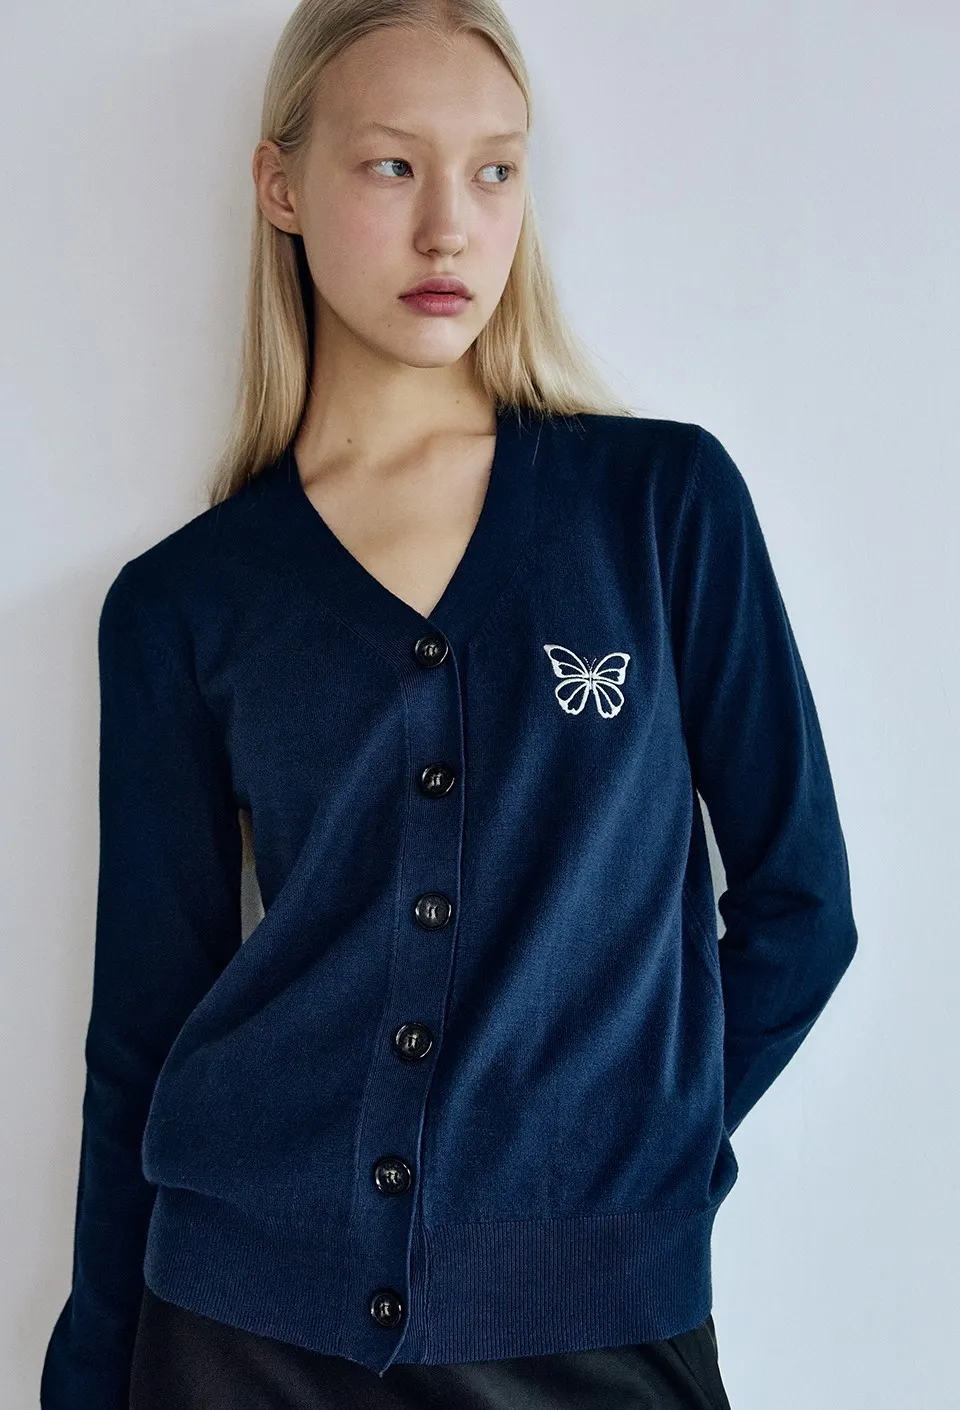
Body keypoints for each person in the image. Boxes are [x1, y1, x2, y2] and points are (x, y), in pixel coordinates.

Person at [40, 1, 859, 1407]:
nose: (450, 229)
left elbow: (802, 908)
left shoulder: (660, 509)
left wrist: (622, 1169)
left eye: (494, 171)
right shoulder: (185, 602)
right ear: (281, 185)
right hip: (240, 1328)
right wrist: (90, 1373)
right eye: (391, 165)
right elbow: (143, 1030)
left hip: (600, 1321)